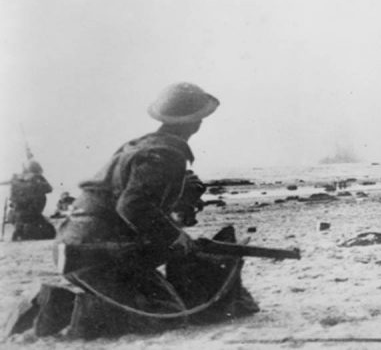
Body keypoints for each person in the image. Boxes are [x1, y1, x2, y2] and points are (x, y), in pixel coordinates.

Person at [5, 82, 258, 339]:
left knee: (152, 301)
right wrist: (175, 236)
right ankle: (58, 307)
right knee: (166, 314)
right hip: (99, 252)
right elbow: (133, 205)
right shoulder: (167, 153)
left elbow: (130, 201)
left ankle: (55, 305)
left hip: (77, 244)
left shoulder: (140, 146)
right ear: (196, 122)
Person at [2, 159, 55, 241]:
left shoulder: (15, 178)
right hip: (32, 212)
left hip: (14, 214)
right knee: (49, 232)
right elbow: (49, 189)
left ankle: (20, 231)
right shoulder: (37, 177)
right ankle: (24, 232)